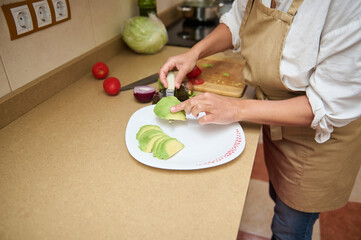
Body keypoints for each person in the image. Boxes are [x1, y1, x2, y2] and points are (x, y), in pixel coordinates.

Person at [158, 0, 361, 239]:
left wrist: (236, 108)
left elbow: (327, 103)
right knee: (279, 194)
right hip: (274, 117)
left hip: (319, 139)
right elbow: (238, 22)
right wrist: (195, 52)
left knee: (289, 227)